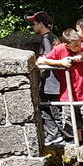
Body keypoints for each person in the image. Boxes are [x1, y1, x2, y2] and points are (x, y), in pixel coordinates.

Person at [37, 28, 83, 144]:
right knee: (74, 121)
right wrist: (60, 62)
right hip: (68, 93)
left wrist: (81, 54)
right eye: (75, 46)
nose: (78, 47)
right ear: (67, 45)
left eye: (79, 44)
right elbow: (40, 61)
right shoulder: (60, 49)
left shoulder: (82, 47)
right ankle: (78, 143)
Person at [26, 9, 68, 145]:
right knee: (47, 109)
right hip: (54, 82)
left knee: (53, 110)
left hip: (51, 82)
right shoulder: (53, 37)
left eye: (34, 24)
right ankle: (55, 135)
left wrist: (38, 61)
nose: (33, 27)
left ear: (41, 25)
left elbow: (44, 59)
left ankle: (66, 137)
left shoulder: (46, 40)